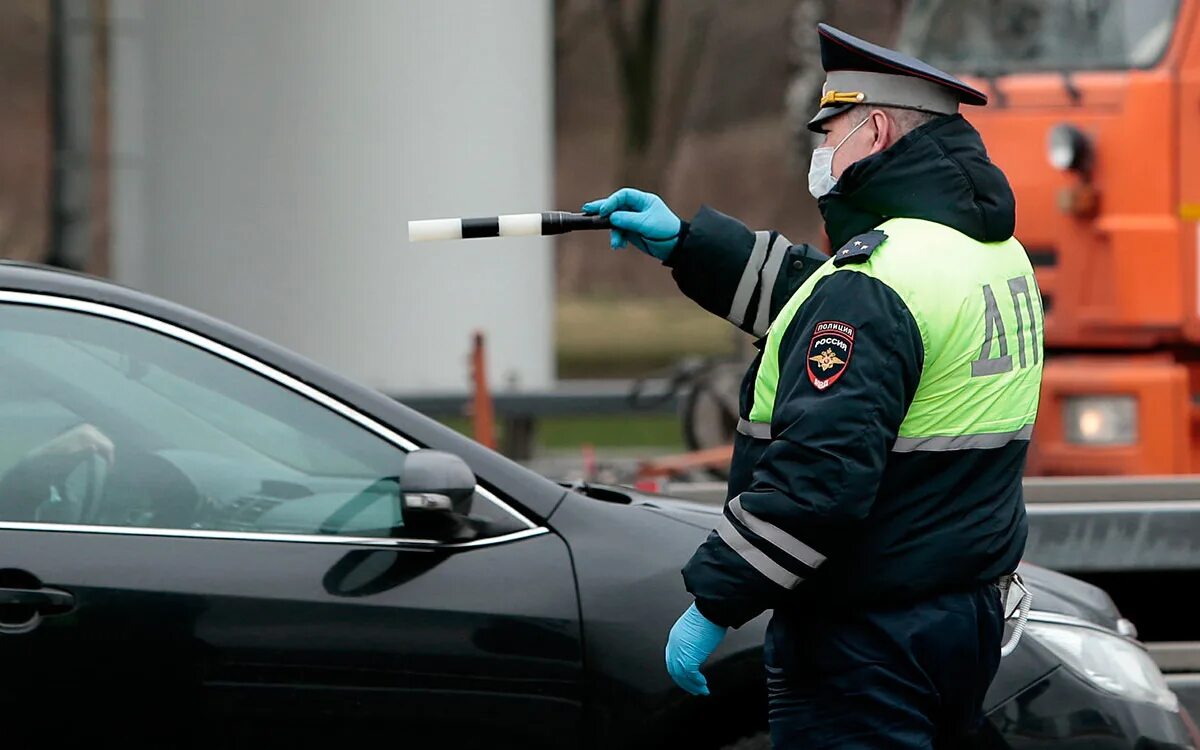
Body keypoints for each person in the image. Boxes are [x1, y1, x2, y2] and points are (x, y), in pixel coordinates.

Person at [583, 22, 1043, 749]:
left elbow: (818, 478)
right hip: (959, 613)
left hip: (867, 639)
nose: (818, 152)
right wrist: (687, 243)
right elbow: (819, 299)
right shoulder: (985, 250)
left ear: (879, 129)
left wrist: (714, 602)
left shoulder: (879, 279)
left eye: (829, 132)